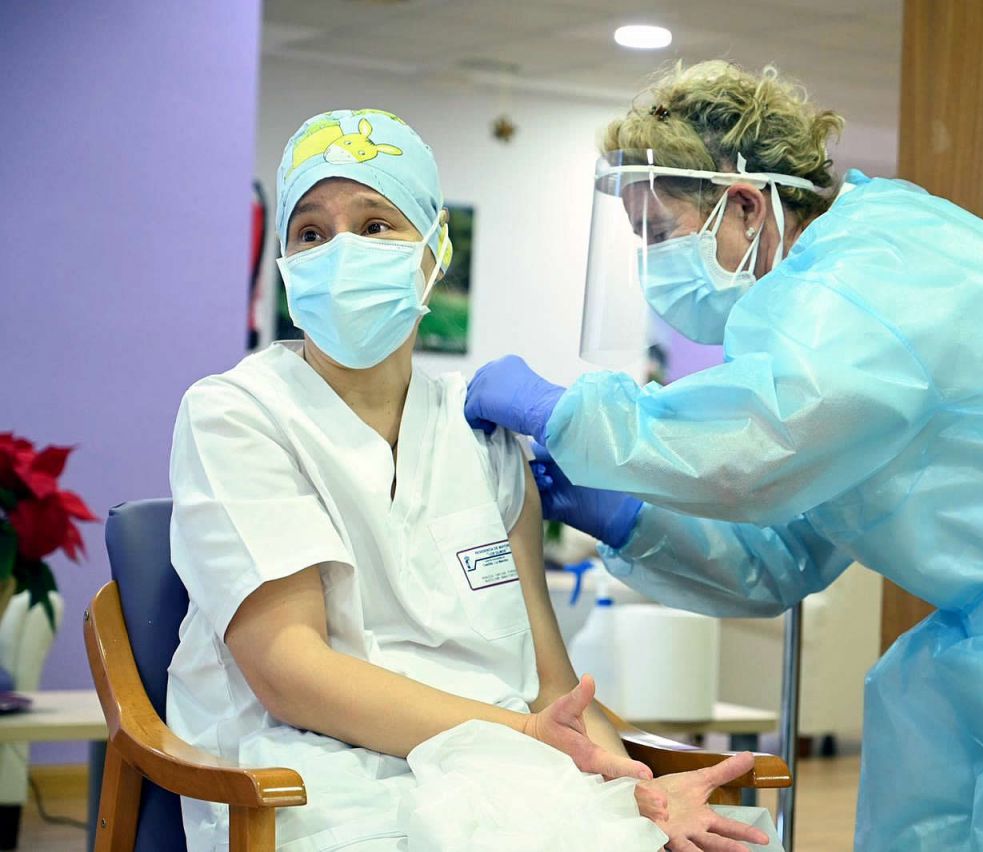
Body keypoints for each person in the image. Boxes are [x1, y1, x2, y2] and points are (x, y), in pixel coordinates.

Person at [464, 62, 983, 849]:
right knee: (920, 723)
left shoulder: (868, 273)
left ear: (744, 205)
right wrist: (628, 516)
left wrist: (565, 413)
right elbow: (785, 553)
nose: (652, 266)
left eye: (659, 232)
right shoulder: (816, 310)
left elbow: (762, 445)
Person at [166, 108, 770, 852]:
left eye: (377, 224)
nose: (341, 252)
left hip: (505, 772)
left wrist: (633, 787)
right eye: (311, 233)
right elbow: (292, 673)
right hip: (313, 777)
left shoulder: (479, 430)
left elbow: (553, 685)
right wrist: (522, 736)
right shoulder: (237, 414)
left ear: (434, 250)